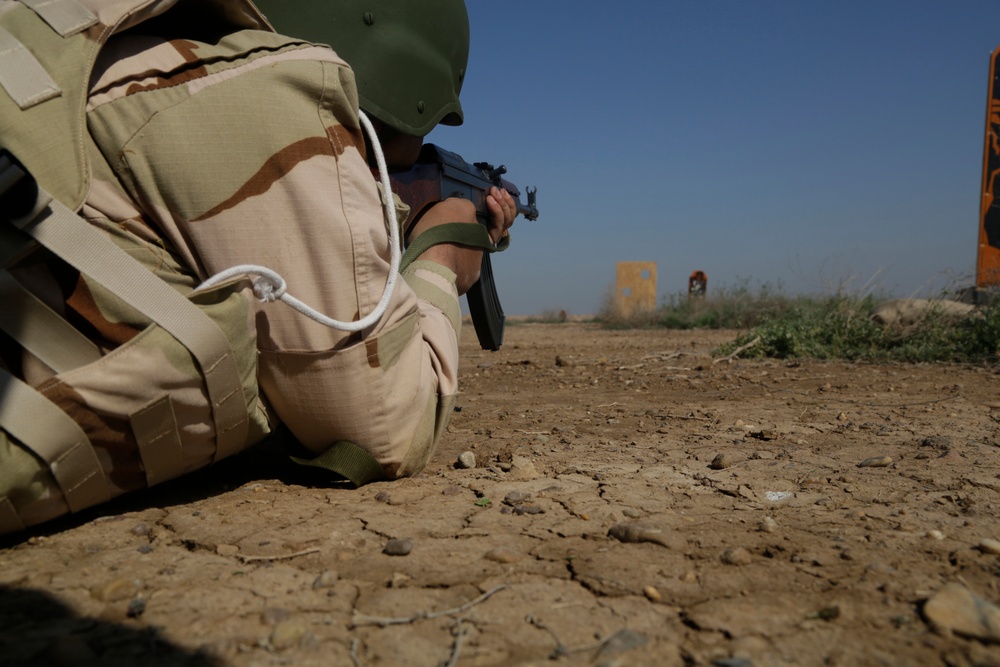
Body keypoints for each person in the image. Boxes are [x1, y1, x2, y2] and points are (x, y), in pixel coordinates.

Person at [0, 0, 517, 533]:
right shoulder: (273, 90)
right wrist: (441, 255)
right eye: (392, 153)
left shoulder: (107, 48)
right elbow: (384, 425)